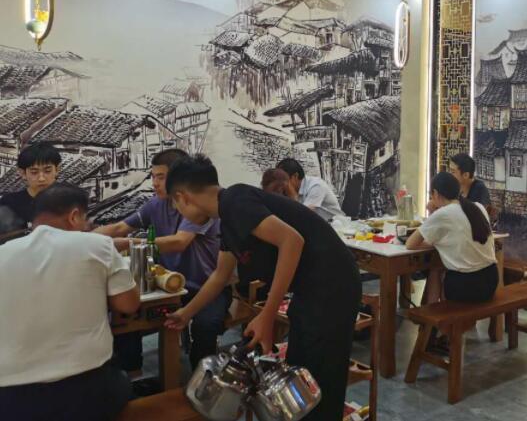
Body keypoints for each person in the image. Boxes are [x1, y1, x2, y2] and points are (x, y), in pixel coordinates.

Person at [163, 155, 361, 421]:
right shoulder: (228, 218)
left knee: (321, 378)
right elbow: (220, 276)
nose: (179, 213)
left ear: (182, 197)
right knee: (302, 373)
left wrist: (267, 316)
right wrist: (186, 314)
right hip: (312, 289)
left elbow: (292, 241)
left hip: (333, 286)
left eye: (175, 205)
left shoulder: (235, 200)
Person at [0, 183, 139, 421]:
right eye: (85, 220)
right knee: (123, 381)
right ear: (74, 216)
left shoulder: (3, 253)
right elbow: (128, 305)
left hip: (10, 402)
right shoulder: (98, 245)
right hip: (85, 393)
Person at [93, 148, 226, 372]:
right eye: (153, 176)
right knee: (126, 314)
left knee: (205, 326)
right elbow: (120, 227)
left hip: (206, 287)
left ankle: (203, 377)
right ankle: (132, 373)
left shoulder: (196, 206)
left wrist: (127, 243)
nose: (154, 183)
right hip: (170, 287)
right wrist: (83, 240)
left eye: (161, 177)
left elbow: (179, 242)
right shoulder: (156, 204)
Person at [406, 172, 497, 304]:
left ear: (435, 193)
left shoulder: (443, 213)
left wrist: (432, 214)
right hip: (491, 280)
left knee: (439, 271)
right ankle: (433, 313)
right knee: (439, 268)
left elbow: (410, 244)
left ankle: (433, 313)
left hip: (467, 286)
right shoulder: (478, 207)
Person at [0, 142, 61, 233]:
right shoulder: (9, 203)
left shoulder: (72, 200)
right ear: (23, 173)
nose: (41, 178)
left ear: (57, 170)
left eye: (47, 171)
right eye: (34, 172)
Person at [275, 157, 346, 222]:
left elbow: (303, 215)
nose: (281, 184)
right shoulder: (288, 190)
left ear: (295, 176)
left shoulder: (316, 186)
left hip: (337, 225)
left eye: (283, 180)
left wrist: (293, 196)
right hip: (318, 224)